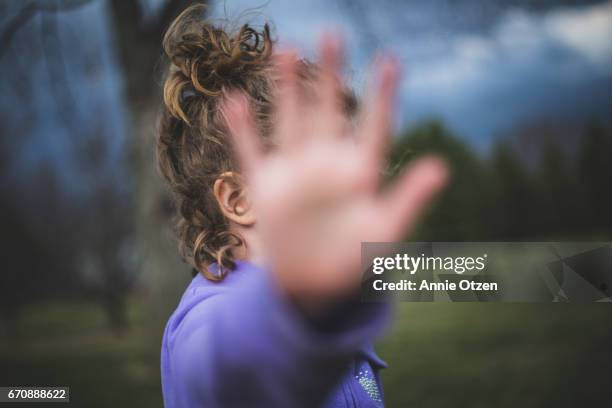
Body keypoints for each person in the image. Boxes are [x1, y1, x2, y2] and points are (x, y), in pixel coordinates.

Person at [157, 5, 448, 407]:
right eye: (316, 184)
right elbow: (230, 370)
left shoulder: (330, 300)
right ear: (239, 201)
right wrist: (298, 313)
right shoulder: (207, 320)